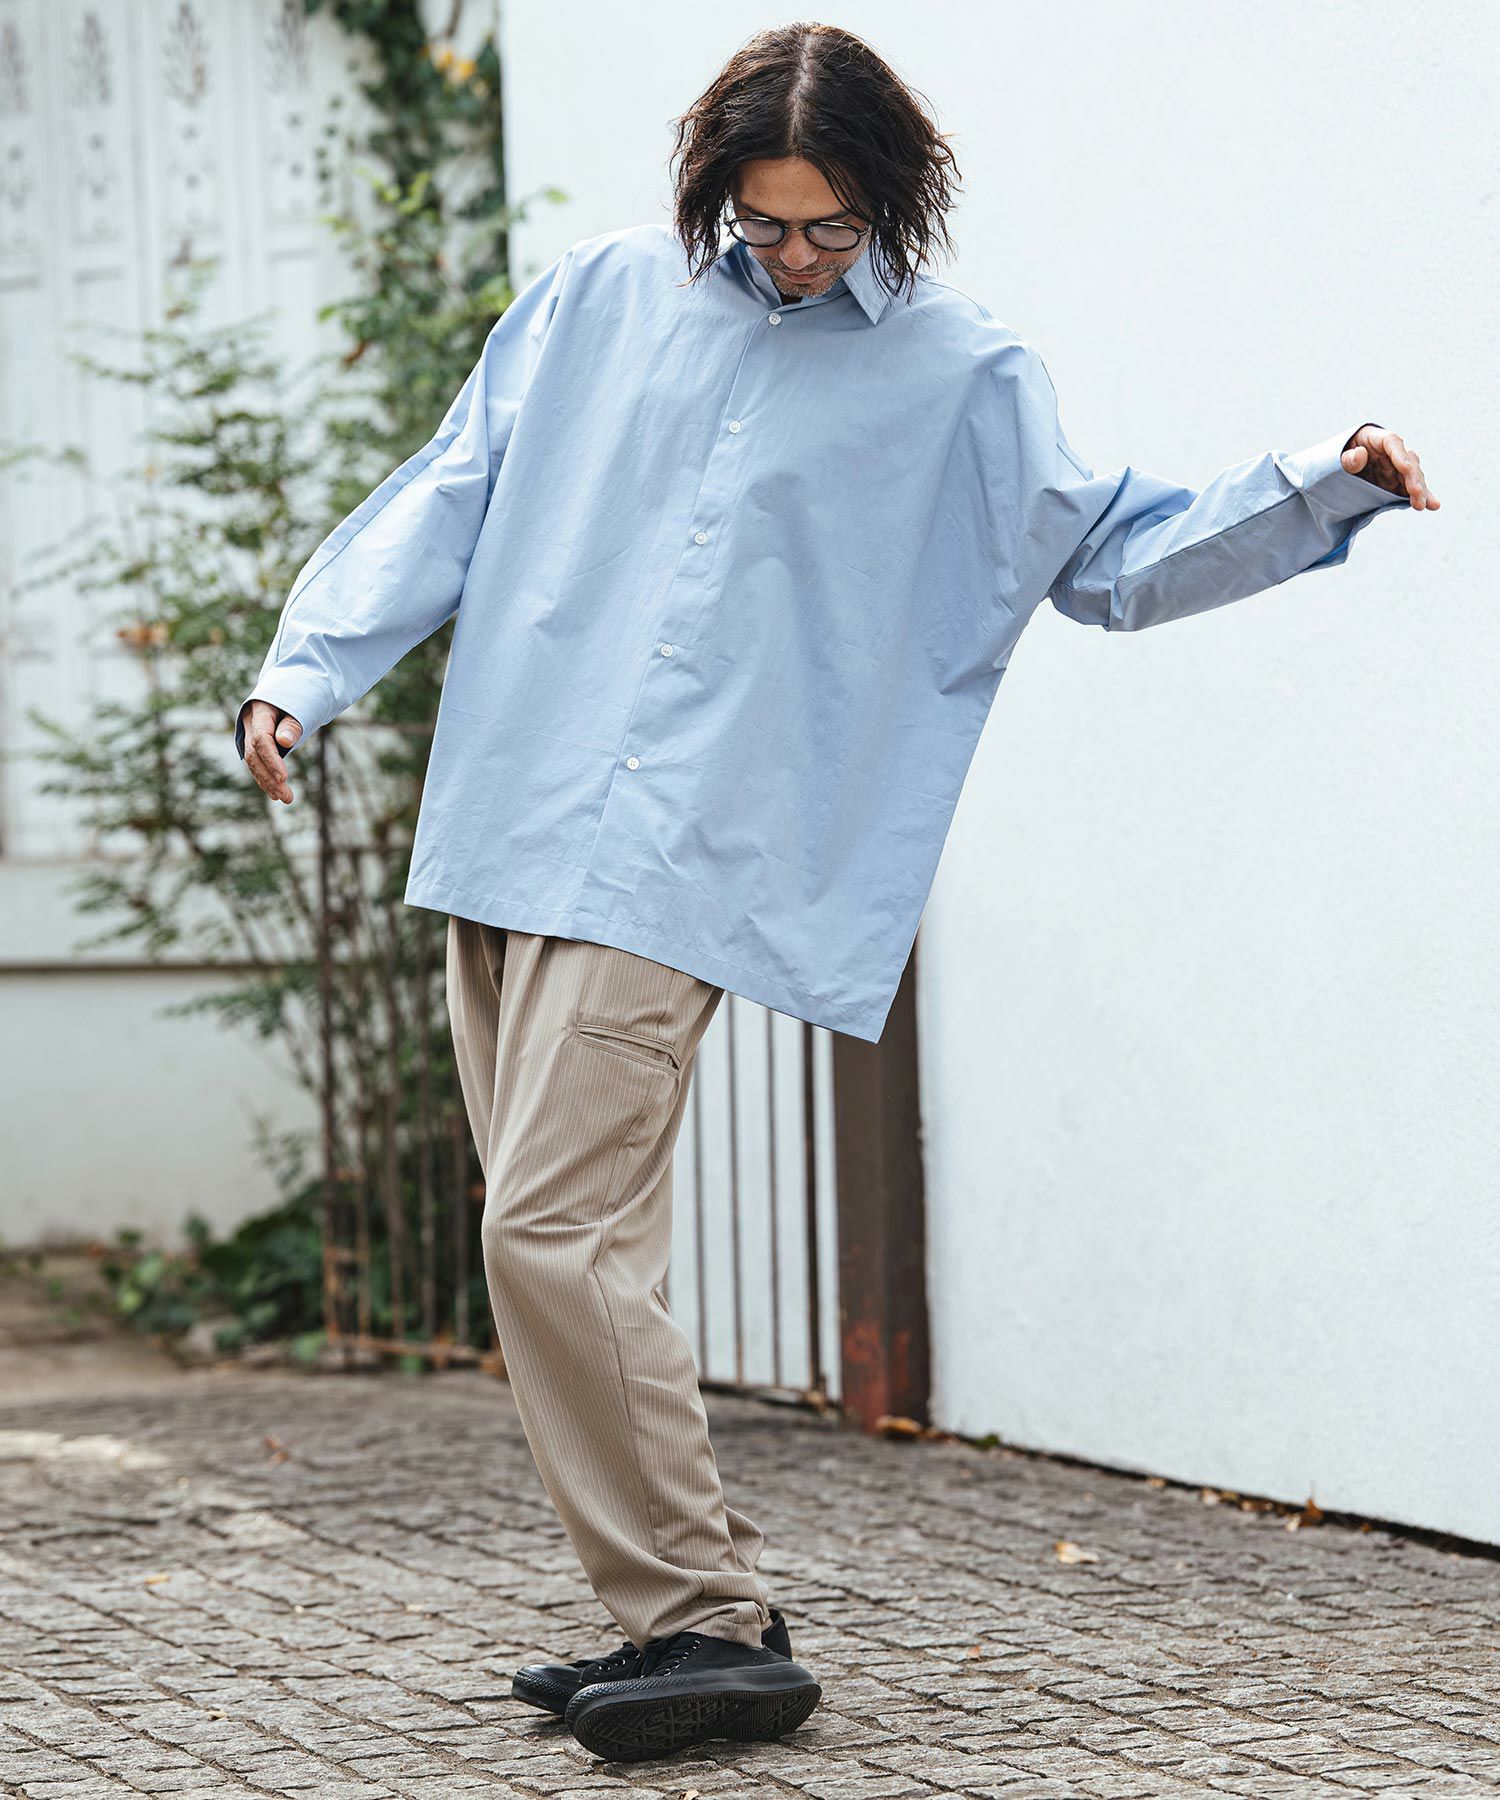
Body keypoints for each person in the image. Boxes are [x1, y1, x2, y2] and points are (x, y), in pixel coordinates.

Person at [235, 21, 1434, 1766]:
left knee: (543, 1234)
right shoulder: (599, 300)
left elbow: (1110, 556)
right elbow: (451, 490)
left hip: (681, 863)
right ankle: (688, 1615)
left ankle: (708, 1622)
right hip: (507, 816)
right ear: (715, 190)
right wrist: (308, 670)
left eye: (831, 225)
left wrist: (1319, 488)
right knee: (580, 1249)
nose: (796, 253)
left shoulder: (961, 372)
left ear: (892, 196)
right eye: (766, 221)